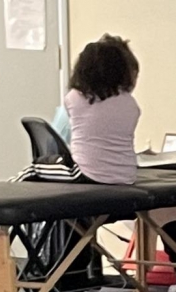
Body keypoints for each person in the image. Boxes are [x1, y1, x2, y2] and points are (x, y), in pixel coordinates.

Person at [20, 35, 140, 185]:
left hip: (86, 174)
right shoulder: (131, 104)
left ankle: (4, 191)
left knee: (34, 169)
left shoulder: (74, 98)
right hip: (126, 177)